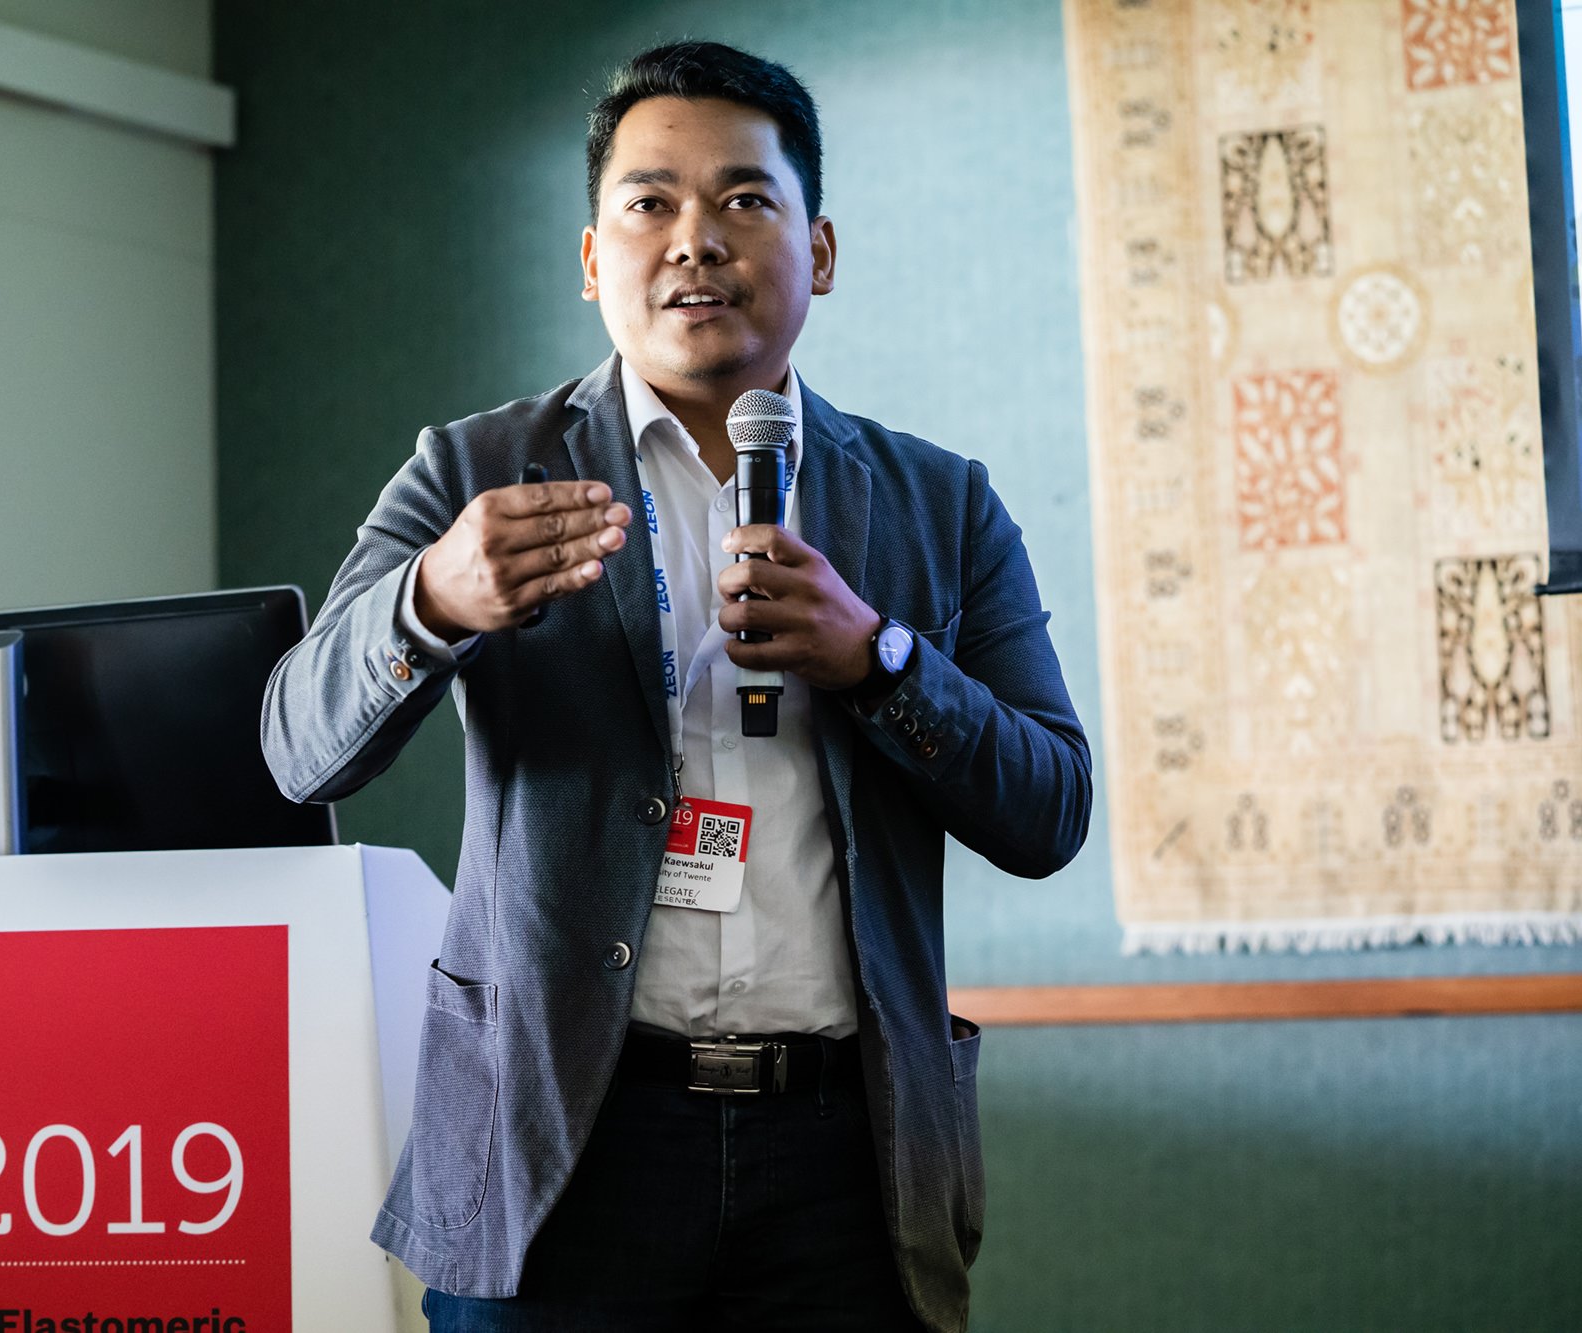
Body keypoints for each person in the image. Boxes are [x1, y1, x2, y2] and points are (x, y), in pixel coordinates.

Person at [262, 40, 1090, 1333]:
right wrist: (431, 601)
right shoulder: (477, 469)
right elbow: (294, 744)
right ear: (594, 259)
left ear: (817, 252)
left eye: (745, 201)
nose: (696, 239)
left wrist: (878, 659)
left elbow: (1050, 807)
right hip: (564, 1140)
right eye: (650, 203)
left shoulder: (942, 503)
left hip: (845, 1159)